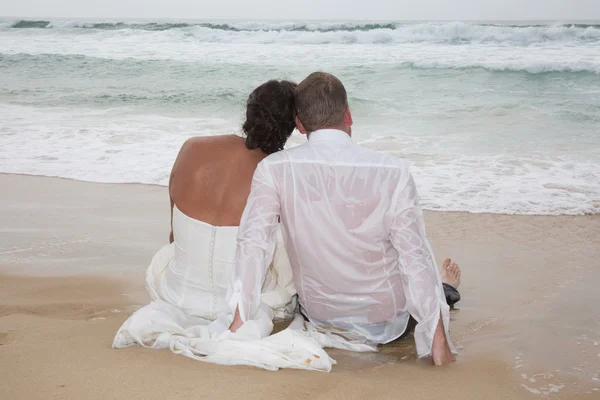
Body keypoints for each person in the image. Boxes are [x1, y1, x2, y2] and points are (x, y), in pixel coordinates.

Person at [228, 72, 459, 366]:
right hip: (387, 326)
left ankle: (443, 289)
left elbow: (253, 245)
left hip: (322, 317)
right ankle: (447, 290)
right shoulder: (394, 172)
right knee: (424, 272)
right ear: (348, 114)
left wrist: (238, 322)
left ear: (300, 124)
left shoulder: (273, 170)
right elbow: (414, 257)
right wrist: (438, 341)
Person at [113, 80, 299, 349]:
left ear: (248, 110)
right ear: (292, 127)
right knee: (287, 255)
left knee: (167, 257)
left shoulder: (192, 147)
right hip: (240, 307)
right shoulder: (280, 174)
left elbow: (173, 235)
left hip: (177, 296)